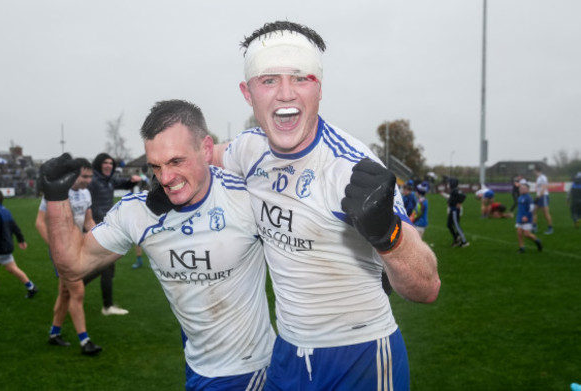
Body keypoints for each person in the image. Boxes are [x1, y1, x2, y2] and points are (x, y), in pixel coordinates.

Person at [212, 21, 440, 390]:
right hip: (287, 352)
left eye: (301, 78)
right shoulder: (249, 148)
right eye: (268, 80)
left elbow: (427, 287)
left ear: (319, 88)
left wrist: (390, 235)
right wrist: (174, 173)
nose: (285, 94)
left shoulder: (350, 168)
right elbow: (211, 156)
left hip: (360, 356)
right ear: (247, 92)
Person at [39, 100, 274, 390]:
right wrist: (56, 197)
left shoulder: (246, 198)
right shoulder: (137, 213)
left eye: (176, 161)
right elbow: (73, 265)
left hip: (250, 369)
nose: (166, 178)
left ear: (205, 149)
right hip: (198, 366)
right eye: (156, 166)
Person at [35, 158, 102, 356]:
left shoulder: (86, 193)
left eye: (90, 176)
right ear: (73, 175)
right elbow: (39, 223)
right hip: (63, 251)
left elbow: (88, 221)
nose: (87, 180)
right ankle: (85, 341)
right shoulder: (55, 193)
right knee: (77, 291)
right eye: (84, 176)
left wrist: (102, 236)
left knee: (65, 293)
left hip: (77, 248)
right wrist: (57, 247)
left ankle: (54, 334)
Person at [87, 153, 141, 315]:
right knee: (105, 267)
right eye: (105, 162)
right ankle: (106, 306)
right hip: (95, 229)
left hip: (106, 228)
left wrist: (131, 181)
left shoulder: (108, 179)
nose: (109, 165)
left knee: (105, 267)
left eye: (111, 163)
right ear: (98, 164)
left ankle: (74, 287)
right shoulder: (93, 182)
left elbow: (122, 184)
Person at [0, 189, 37, 298]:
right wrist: (21, 240)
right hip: (5, 245)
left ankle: (31, 287)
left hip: (0, 247)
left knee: (11, 269)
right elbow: (15, 227)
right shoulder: (5, 210)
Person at [515, 179, 543, 253]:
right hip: (520, 218)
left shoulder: (528, 198)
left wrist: (526, 216)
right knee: (519, 233)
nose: (521, 189)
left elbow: (531, 208)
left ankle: (537, 241)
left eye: (523, 188)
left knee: (527, 234)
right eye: (520, 188)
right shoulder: (519, 197)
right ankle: (522, 248)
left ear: (528, 190)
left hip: (527, 218)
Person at [443, 177, 469, 248]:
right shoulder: (453, 190)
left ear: (452, 183)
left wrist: (459, 203)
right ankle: (456, 239)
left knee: (456, 225)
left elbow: (463, 195)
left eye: (449, 182)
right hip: (452, 209)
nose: (448, 184)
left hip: (455, 210)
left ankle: (464, 241)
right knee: (449, 225)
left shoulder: (455, 190)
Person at [533, 165, 553, 234]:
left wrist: (539, 196)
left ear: (536, 170)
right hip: (539, 196)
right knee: (533, 211)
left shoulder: (543, 177)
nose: (533, 172)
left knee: (545, 213)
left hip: (543, 196)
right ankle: (534, 227)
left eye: (534, 171)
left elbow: (544, 188)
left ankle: (550, 228)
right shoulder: (538, 178)